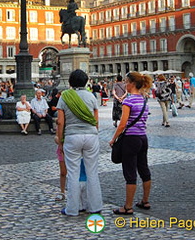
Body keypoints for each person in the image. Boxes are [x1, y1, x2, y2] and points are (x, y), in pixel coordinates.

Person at [56, 69, 102, 216]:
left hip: (72, 136)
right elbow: (96, 120)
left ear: (70, 82)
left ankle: (72, 208)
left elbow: (60, 122)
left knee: (73, 173)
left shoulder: (65, 97)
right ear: (86, 81)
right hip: (91, 136)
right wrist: (94, 133)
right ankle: (95, 206)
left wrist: (60, 141)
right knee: (92, 172)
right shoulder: (91, 96)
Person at [109, 71, 152, 215]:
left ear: (132, 84)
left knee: (130, 173)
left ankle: (128, 206)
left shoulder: (129, 101)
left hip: (131, 139)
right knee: (144, 169)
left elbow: (122, 124)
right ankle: (145, 200)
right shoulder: (144, 100)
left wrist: (113, 139)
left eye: (127, 82)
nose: (125, 85)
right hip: (142, 138)